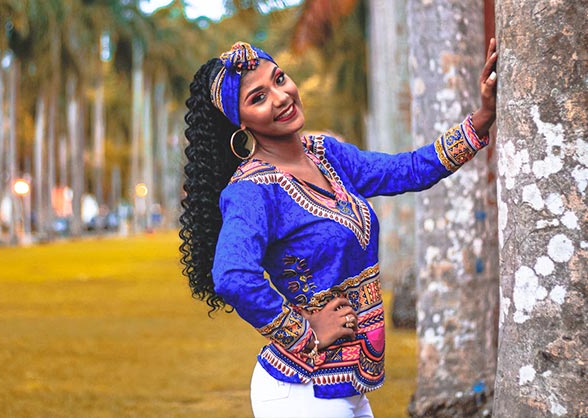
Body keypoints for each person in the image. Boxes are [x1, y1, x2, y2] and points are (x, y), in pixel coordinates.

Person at [179, 40, 498, 418]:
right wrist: (305, 331)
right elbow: (232, 275)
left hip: (346, 387)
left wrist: (481, 118)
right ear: (241, 121)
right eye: (259, 97)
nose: (281, 97)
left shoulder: (327, 155)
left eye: (280, 79)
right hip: (300, 390)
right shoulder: (251, 190)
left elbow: (408, 169)